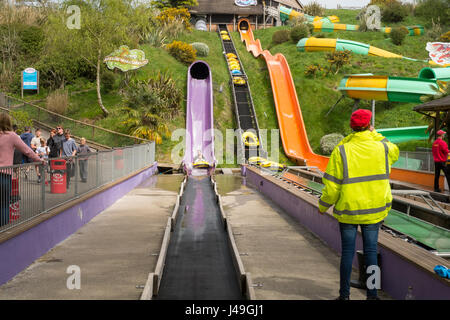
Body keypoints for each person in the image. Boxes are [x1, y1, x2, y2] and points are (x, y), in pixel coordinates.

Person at [318, 109, 399, 301]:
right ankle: (372, 296)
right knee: (371, 251)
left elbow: (332, 188)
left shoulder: (341, 150)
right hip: (374, 210)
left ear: (351, 127)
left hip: (349, 210)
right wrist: (375, 134)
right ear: (370, 126)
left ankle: (344, 296)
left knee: (347, 253)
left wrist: (323, 206)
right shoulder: (384, 147)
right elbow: (393, 150)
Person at [0, 113, 42, 227]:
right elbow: (27, 150)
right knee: (4, 203)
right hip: (4, 175)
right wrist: (40, 160)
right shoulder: (12, 135)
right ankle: (3, 232)